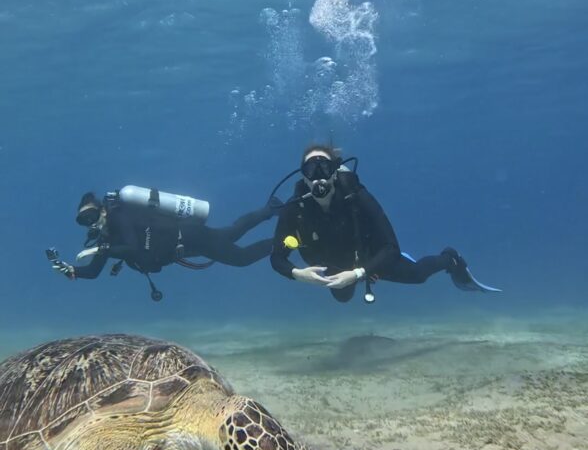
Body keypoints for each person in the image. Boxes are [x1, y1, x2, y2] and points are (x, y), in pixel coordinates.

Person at [270, 144, 500, 304]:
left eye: (325, 168)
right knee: (342, 297)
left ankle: (450, 259)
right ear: (304, 177)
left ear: (334, 173)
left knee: (418, 276)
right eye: (311, 169)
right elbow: (277, 258)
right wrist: (299, 274)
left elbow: (391, 248)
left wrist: (360, 272)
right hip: (335, 266)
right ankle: (351, 279)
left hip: (369, 258)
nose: (319, 176)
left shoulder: (356, 196)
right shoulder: (295, 208)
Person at [48, 185, 282, 301]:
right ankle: (270, 210)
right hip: (184, 247)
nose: (90, 223)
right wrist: (71, 270)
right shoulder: (105, 239)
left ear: (102, 209)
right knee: (230, 234)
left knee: (239, 257)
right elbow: (93, 271)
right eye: (83, 221)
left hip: (188, 235)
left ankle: (281, 242)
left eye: (90, 216)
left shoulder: (120, 217)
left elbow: (132, 247)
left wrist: (102, 249)